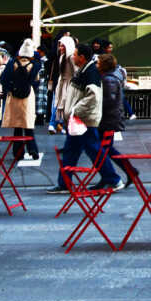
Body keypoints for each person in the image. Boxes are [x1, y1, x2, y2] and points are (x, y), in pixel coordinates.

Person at [46, 43, 122, 194]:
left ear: (82, 57)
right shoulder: (85, 70)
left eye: (74, 54)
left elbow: (92, 97)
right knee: (73, 150)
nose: (72, 57)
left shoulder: (90, 72)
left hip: (84, 120)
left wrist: (75, 110)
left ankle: (112, 179)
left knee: (91, 149)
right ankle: (65, 183)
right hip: (80, 119)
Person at [97, 53, 138, 188]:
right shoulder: (109, 77)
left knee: (105, 149)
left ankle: (128, 171)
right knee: (105, 149)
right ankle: (109, 176)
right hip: (109, 119)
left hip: (108, 120)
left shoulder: (109, 79)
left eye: (98, 63)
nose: (96, 65)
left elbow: (109, 100)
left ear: (104, 65)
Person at [1, 39, 41, 160]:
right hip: (28, 96)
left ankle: (18, 153)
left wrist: (10, 89)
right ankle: (33, 149)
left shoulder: (12, 63)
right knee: (28, 125)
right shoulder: (34, 65)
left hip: (14, 96)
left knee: (17, 126)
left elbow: (3, 79)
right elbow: (36, 81)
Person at [47, 36, 76, 135]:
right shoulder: (62, 57)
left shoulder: (71, 57)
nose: (60, 48)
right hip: (63, 84)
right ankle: (60, 125)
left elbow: (75, 72)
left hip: (68, 84)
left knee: (63, 105)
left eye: (62, 46)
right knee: (60, 104)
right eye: (60, 46)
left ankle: (57, 125)